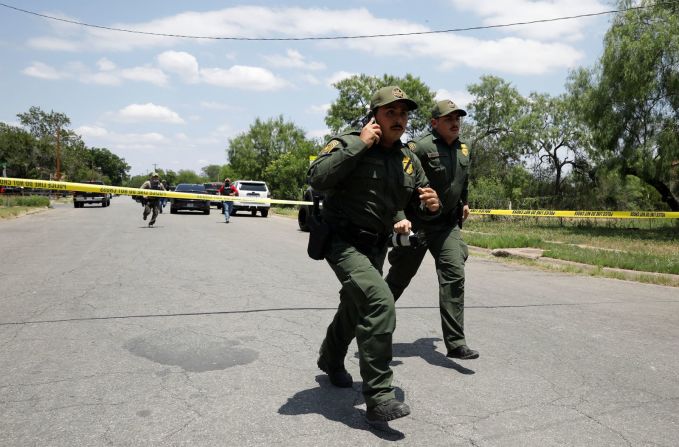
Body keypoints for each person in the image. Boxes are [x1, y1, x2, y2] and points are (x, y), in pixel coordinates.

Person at [309, 86, 441, 423]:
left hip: (376, 245)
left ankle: (330, 357)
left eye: (404, 114)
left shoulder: (408, 161)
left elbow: (415, 207)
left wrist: (429, 207)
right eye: (391, 112)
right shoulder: (349, 142)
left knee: (355, 305)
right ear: (375, 115)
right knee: (378, 301)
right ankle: (380, 397)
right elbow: (318, 178)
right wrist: (360, 143)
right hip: (342, 242)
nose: (399, 119)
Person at [385, 99, 479, 360]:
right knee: (397, 280)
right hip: (418, 225)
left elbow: (464, 179)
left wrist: (465, 202)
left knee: (454, 275)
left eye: (458, 118)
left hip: (447, 225)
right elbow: (401, 182)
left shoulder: (463, 149)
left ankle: (456, 342)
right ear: (434, 122)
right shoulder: (420, 147)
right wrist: (401, 217)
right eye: (449, 118)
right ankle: (368, 326)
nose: (455, 123)